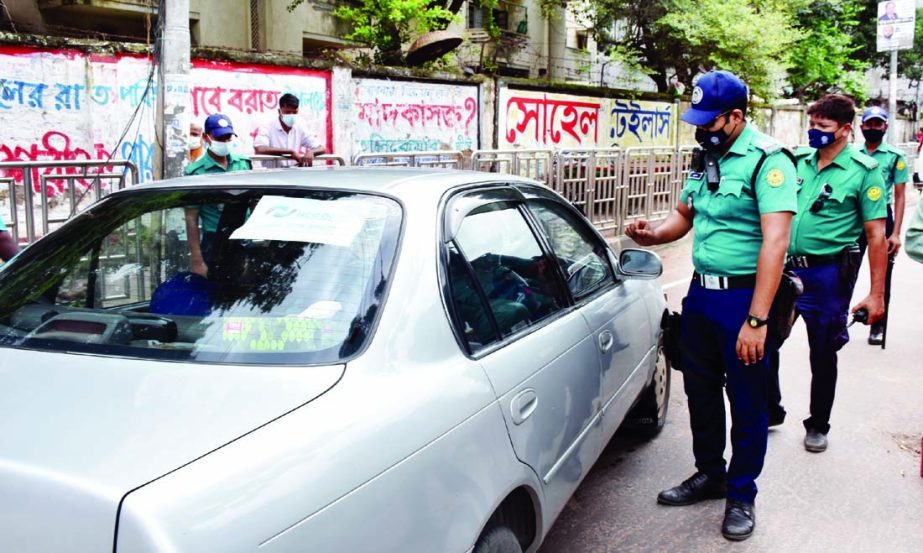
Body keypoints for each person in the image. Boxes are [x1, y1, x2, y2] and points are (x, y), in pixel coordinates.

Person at [626, 70, 796, 541]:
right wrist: (653, 235)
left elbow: (775, 244)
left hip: (745, 298)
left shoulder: (769, 162)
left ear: (736, 116)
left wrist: (757, 320)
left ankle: (742, 492)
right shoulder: (706, 159)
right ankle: (710, 474)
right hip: (700, 295)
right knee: (699, 392)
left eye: (710, 121)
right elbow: (684, 214)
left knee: (747, 400)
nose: (702, 130)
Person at [767, 94, 887, 454]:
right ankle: (770, 407)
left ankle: (818, 424)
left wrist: (876, 294)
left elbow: (875, 236)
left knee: (822, 351)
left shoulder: (865, 171)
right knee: (765, 338)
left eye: (823, 126)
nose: (813, 132)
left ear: (846, 130)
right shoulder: (797, 162)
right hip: (785, 268)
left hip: (827, 276)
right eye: (812, 124)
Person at [857, 106, 908, 345]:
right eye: (870, 124)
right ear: (861, 126)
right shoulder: (852, 153)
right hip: (854, 215)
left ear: (885, 127)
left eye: (878, 124)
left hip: (881, 215)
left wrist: (896, 232)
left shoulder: (895, 156)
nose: (873, 128)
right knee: (844, 267)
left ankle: (877, 326)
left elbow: (899, 195)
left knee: (882, 274)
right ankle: (837, 320)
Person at [184, 113, 253, 277]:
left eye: (228, 137)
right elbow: (191, 218)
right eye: (220, 138)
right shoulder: (195, 172)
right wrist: (197, 260)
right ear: (206, 138)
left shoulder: (243, 164)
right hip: (215, 241)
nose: (225, 142)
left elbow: (254, 203)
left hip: (244, 238)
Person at [253, 93, 325, 167]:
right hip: (271, 174)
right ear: (279, 112)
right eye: (287, 112)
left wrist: (311, 152)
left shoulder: (300, 126)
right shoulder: (267, 127)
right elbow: (259, 149)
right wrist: (289, 152)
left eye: (294, 112)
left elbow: (321, 148)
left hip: (293, 174)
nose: (291, 115)